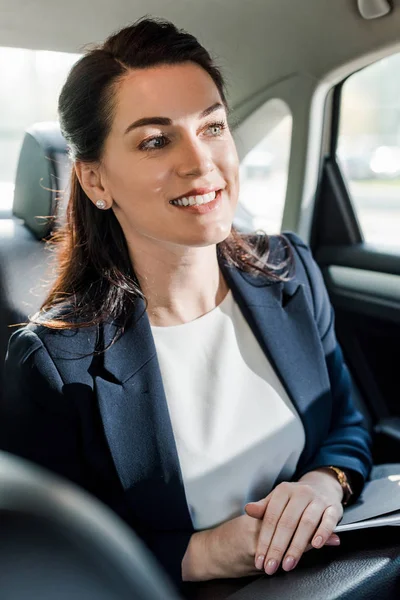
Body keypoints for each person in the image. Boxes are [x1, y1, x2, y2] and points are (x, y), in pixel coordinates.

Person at [0, 17, 372, 589]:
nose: (201, 163)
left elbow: (346, 419)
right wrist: (206, 552)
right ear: (96, 182)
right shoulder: (51, 363)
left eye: (214, 127)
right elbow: (46, 561)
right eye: (155, 140)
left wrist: (326, 481)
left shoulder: (290, 271)